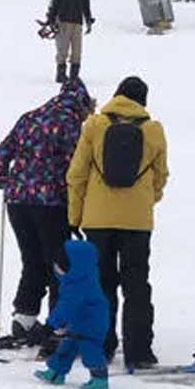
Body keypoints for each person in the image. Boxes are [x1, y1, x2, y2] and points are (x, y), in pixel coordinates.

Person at [66, 76, 168, 368]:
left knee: (101, 284)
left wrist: (76, 216)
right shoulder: (153, 130)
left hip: (97, 220)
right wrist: (145, 201)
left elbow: (76, 175)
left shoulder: (95, 126)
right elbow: (161, 176)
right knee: (137, 284)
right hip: (137, 223)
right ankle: (139, 351)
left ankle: (101, 345)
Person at [0, 79, 95, 346]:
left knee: (32, 258)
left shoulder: (29, 117)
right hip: (50, 203)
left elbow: (1, 152)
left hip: (17, 201)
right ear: (82, 104)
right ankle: (60, 325)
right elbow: (75, 167)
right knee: (59, 263)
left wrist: (3, 178)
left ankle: (24, 318)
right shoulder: (71, 125)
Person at [31, 239, 112, 389]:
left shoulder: (78, 286)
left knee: (90, 350)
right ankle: (56, 373)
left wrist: (49, 327)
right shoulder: (76, 279)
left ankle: (100, 379)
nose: (55, 267)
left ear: (75, 267)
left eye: (60, 265)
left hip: (92, 323)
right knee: (67, 346)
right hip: (79, 322)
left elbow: (65, 308)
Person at [46, 0, 95, 83]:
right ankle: (61, 75)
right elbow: (55, 4)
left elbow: (86, 6)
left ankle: (73, 76)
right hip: (63, 22)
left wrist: (88, 21)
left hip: (77, 23)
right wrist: (51, 20)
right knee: (62, 49)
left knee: (77, 51)